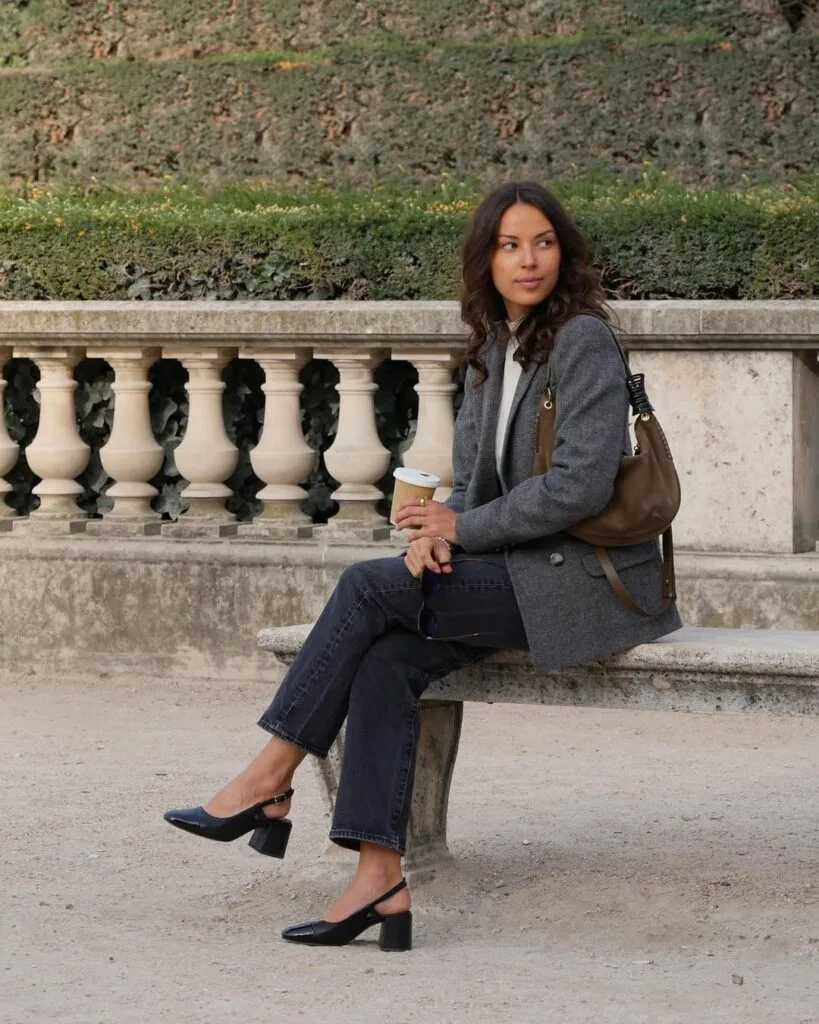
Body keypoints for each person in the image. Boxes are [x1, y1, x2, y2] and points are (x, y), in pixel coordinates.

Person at [164, 180, 682, 952]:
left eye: (541, 241)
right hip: (513, 572)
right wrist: (433, 537)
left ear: (563, 252)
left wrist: (459, 526)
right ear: (486, 259)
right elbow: (473, 485)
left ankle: (269, 778)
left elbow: (580, 483)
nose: (527, 259)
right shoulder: (489, 349)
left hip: (586, 581)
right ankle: (380, 879)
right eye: (508, 245)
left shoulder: (581, 339)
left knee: (364, 586)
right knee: (387, 658)